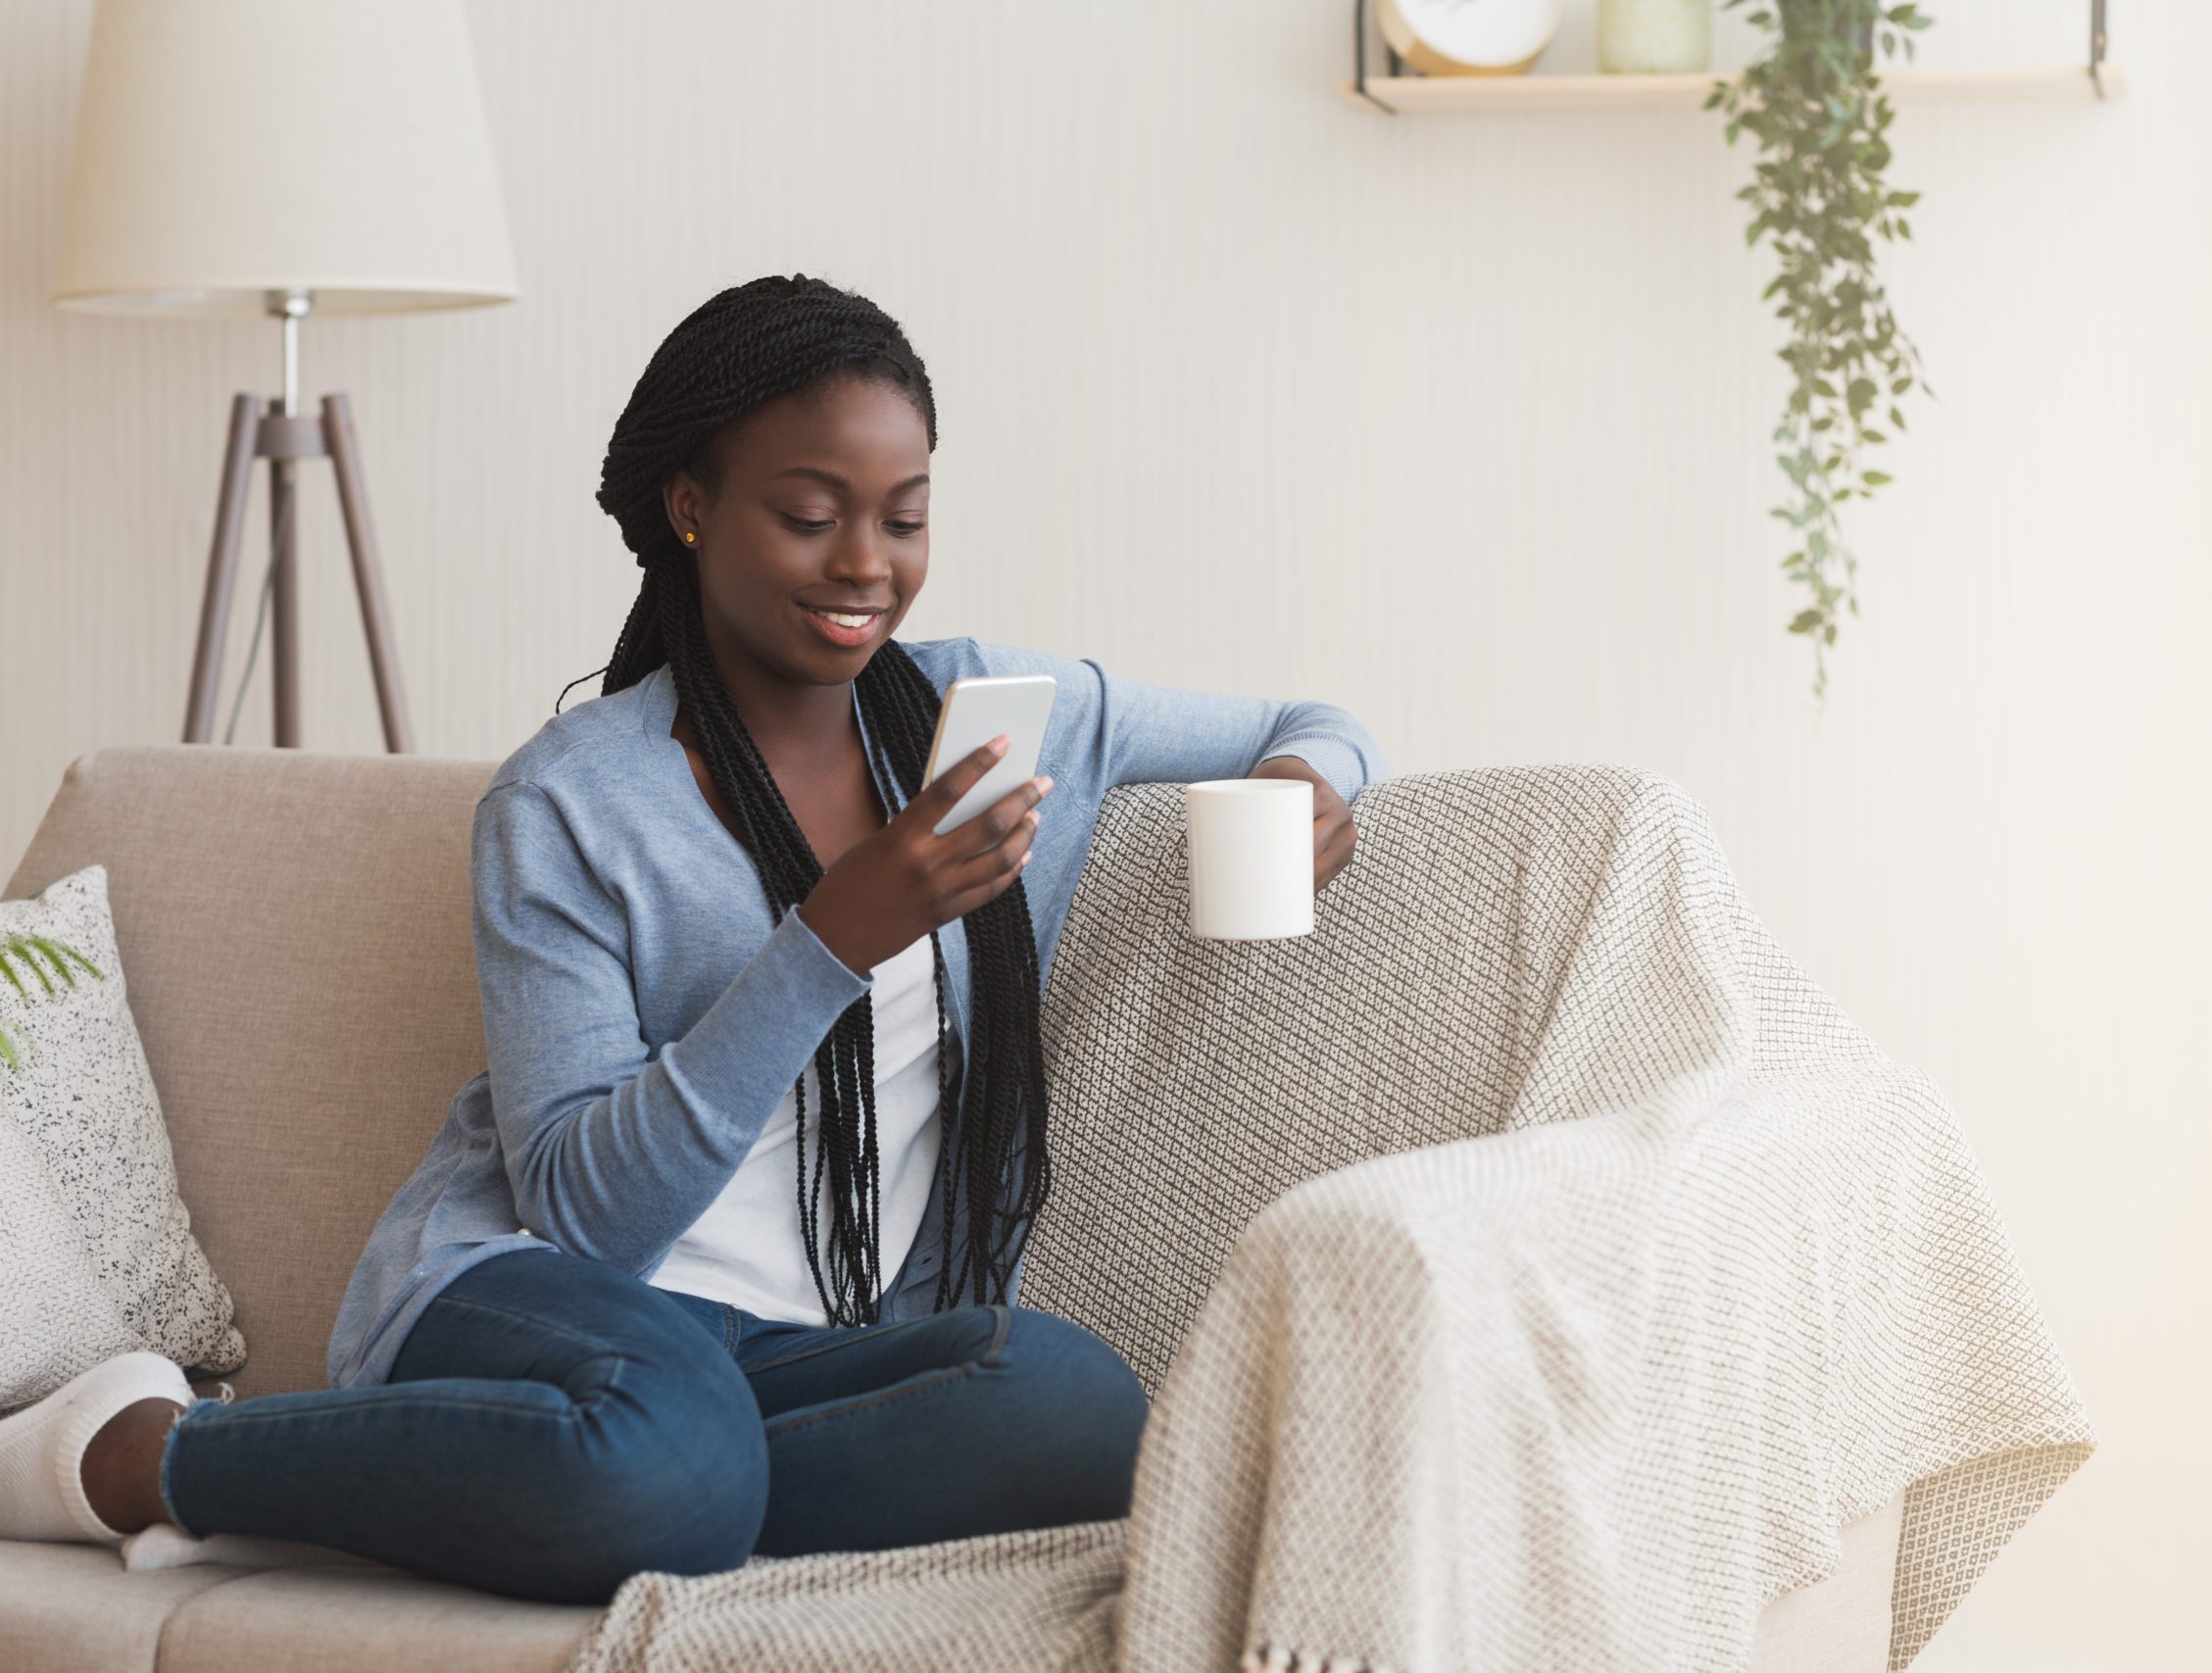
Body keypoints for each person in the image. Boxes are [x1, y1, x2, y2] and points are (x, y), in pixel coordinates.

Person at [0, 274, 1390, 1604]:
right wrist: (828, 941)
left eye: (903, 519)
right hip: (543, 1301)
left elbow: (1311, 719)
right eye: (808, 514)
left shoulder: (994, 720)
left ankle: (515, 1494)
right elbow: (585, 1214)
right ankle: (133, 1457)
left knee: (1079, 1407)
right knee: (667, 1445)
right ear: (689, 507)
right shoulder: (571, 799)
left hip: (796, 1351)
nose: (866, 564)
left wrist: (1306, 789)